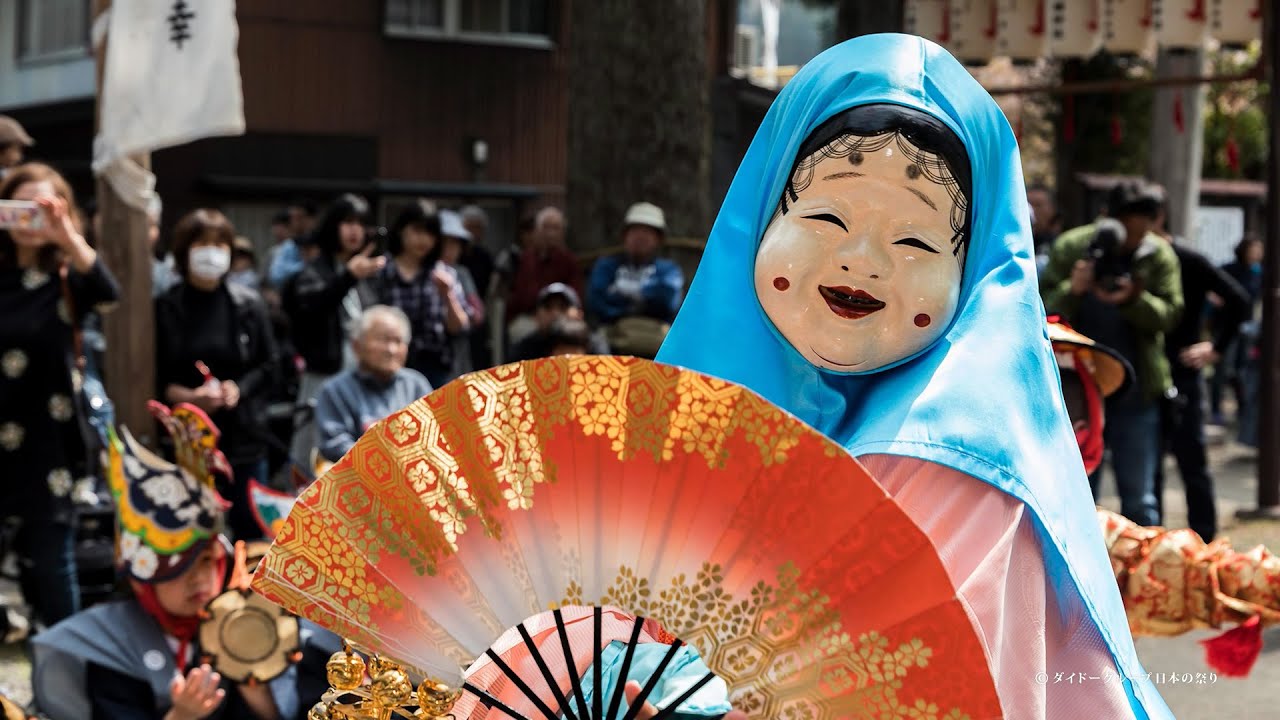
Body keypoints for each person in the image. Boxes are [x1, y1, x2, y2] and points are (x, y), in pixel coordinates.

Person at [656, 34, 1172, 718]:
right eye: (826, 217)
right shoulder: (675, 427)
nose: (863, 262)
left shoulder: (949, 461)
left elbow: (855, 678)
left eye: (915, 241)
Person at [32, 402, 301, 720]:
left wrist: (256, 687)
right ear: (141, 579)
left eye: (205, 562)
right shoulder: (111, 642)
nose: (198, 579)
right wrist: (180, 716)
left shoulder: (241, 621)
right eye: (177, 569)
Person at [0, 163, 119, 628]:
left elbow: (110, 294)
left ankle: (66, 665)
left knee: (54, 561)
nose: (32, 218)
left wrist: (67, 235)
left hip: (50, 438)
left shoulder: (70, 276)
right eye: (21, 205)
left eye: (44, 207)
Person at [1041, 180, 1183, 528]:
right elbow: (1035, 311)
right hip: (1076, 390)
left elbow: (1171, 314)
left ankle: (1144, 577)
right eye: (1128, 231)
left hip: (1137, 391)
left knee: (1140, 499)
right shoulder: (1074, 246)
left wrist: (1134, 298)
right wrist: (1072, 290)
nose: (1135, 240)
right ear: (1109, 218)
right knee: (1074, 493)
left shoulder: (1158, 254)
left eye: (1142, 233)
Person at [155, 209, 279, 541]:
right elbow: (156, 376)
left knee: (251, 533)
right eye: (202, 244)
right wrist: (190, 398)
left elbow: (270, 366)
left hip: (244, 437)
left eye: (220, 245)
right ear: (184, 251)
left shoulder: (248, 304)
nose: (212, 253)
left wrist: (238, 388)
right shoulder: (166, 307)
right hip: (189, 440)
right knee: (191, 534)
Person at [1152, 203, 1249, 542]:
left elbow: (1239, 301)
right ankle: (1153, 543)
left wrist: (1215, 348)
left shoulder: (1188, 260)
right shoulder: (1131, 259)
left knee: (1192, 462)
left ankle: (1205, 543)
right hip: (1146, 374)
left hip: (1184, 371)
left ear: (1157, 218)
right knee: (1149, 470)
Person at [283, 194, 383, 467]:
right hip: (323, 379)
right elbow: (309, 308)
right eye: (348, 222)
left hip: (363, 383)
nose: (355, 230)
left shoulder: (370, 277)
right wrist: (347, 278)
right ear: (333, 226)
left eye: (362, 224)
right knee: (313, 462)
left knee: (358, 462)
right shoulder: (313, 271)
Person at [314, 306, 433, 463]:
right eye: (383, 340)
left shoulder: (416, 384)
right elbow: (335, 445)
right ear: (356, 346)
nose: (391, 349)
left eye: (398, 341)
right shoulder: (334, 390)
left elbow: (433, 434)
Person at [375, 200, 468, 388]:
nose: (424, 239)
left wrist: (447, 295)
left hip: (435, 368)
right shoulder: (381, 271)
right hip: (388, 364)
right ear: (402, 230)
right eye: (417, 231)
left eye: (430, 233)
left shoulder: (444, 274)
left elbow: (458, 327)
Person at [588, 202, 684, 358]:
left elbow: (668, 301)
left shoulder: (668, 270)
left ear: (658, 239)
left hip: (657, 337)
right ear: (625, 235)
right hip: (612, 337)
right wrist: (643, 301)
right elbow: (597, 302)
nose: (640, 237)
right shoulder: (607, 266)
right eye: (635, 231)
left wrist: (622, 295)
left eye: (647, 232)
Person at [503, 207, 581, 346]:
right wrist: (541, 314)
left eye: (556, 228)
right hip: (531, 317)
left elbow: (576, 297)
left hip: (562, 315)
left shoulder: (570, 261)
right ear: (537, 231)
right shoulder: (526, 259)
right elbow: (520, 297)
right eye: (546, 227)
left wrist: (558, 313)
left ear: (562, 233)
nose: (550, 233)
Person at [1210, 235, 1264, 424]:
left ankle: (1242, 408)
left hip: (1248, 328)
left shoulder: (1258, 273)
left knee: (1242, 371)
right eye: (1254, 249)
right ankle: (1216, 409)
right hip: (1227, 326)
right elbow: (1212, 292)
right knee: (1223, 369)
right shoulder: (1228, 270)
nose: (1257, 253)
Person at [508, 282, 609, 361]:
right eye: (548, 307)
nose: (555, 313)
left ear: (579, 314)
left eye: (563, 307)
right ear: (536, 316)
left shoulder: (595, 344)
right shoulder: (524, 350)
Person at [438, 209, 482, 381]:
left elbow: (477, 313)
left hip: (458, 351)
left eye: (455, 244)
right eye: (445, 243)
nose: (450, 250)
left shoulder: (461, 273)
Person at [1026, 184, 1061, 273]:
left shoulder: (1060, 245)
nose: (1030, 210)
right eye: (1027, 204)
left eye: (1037, 205)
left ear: (1052, 209)